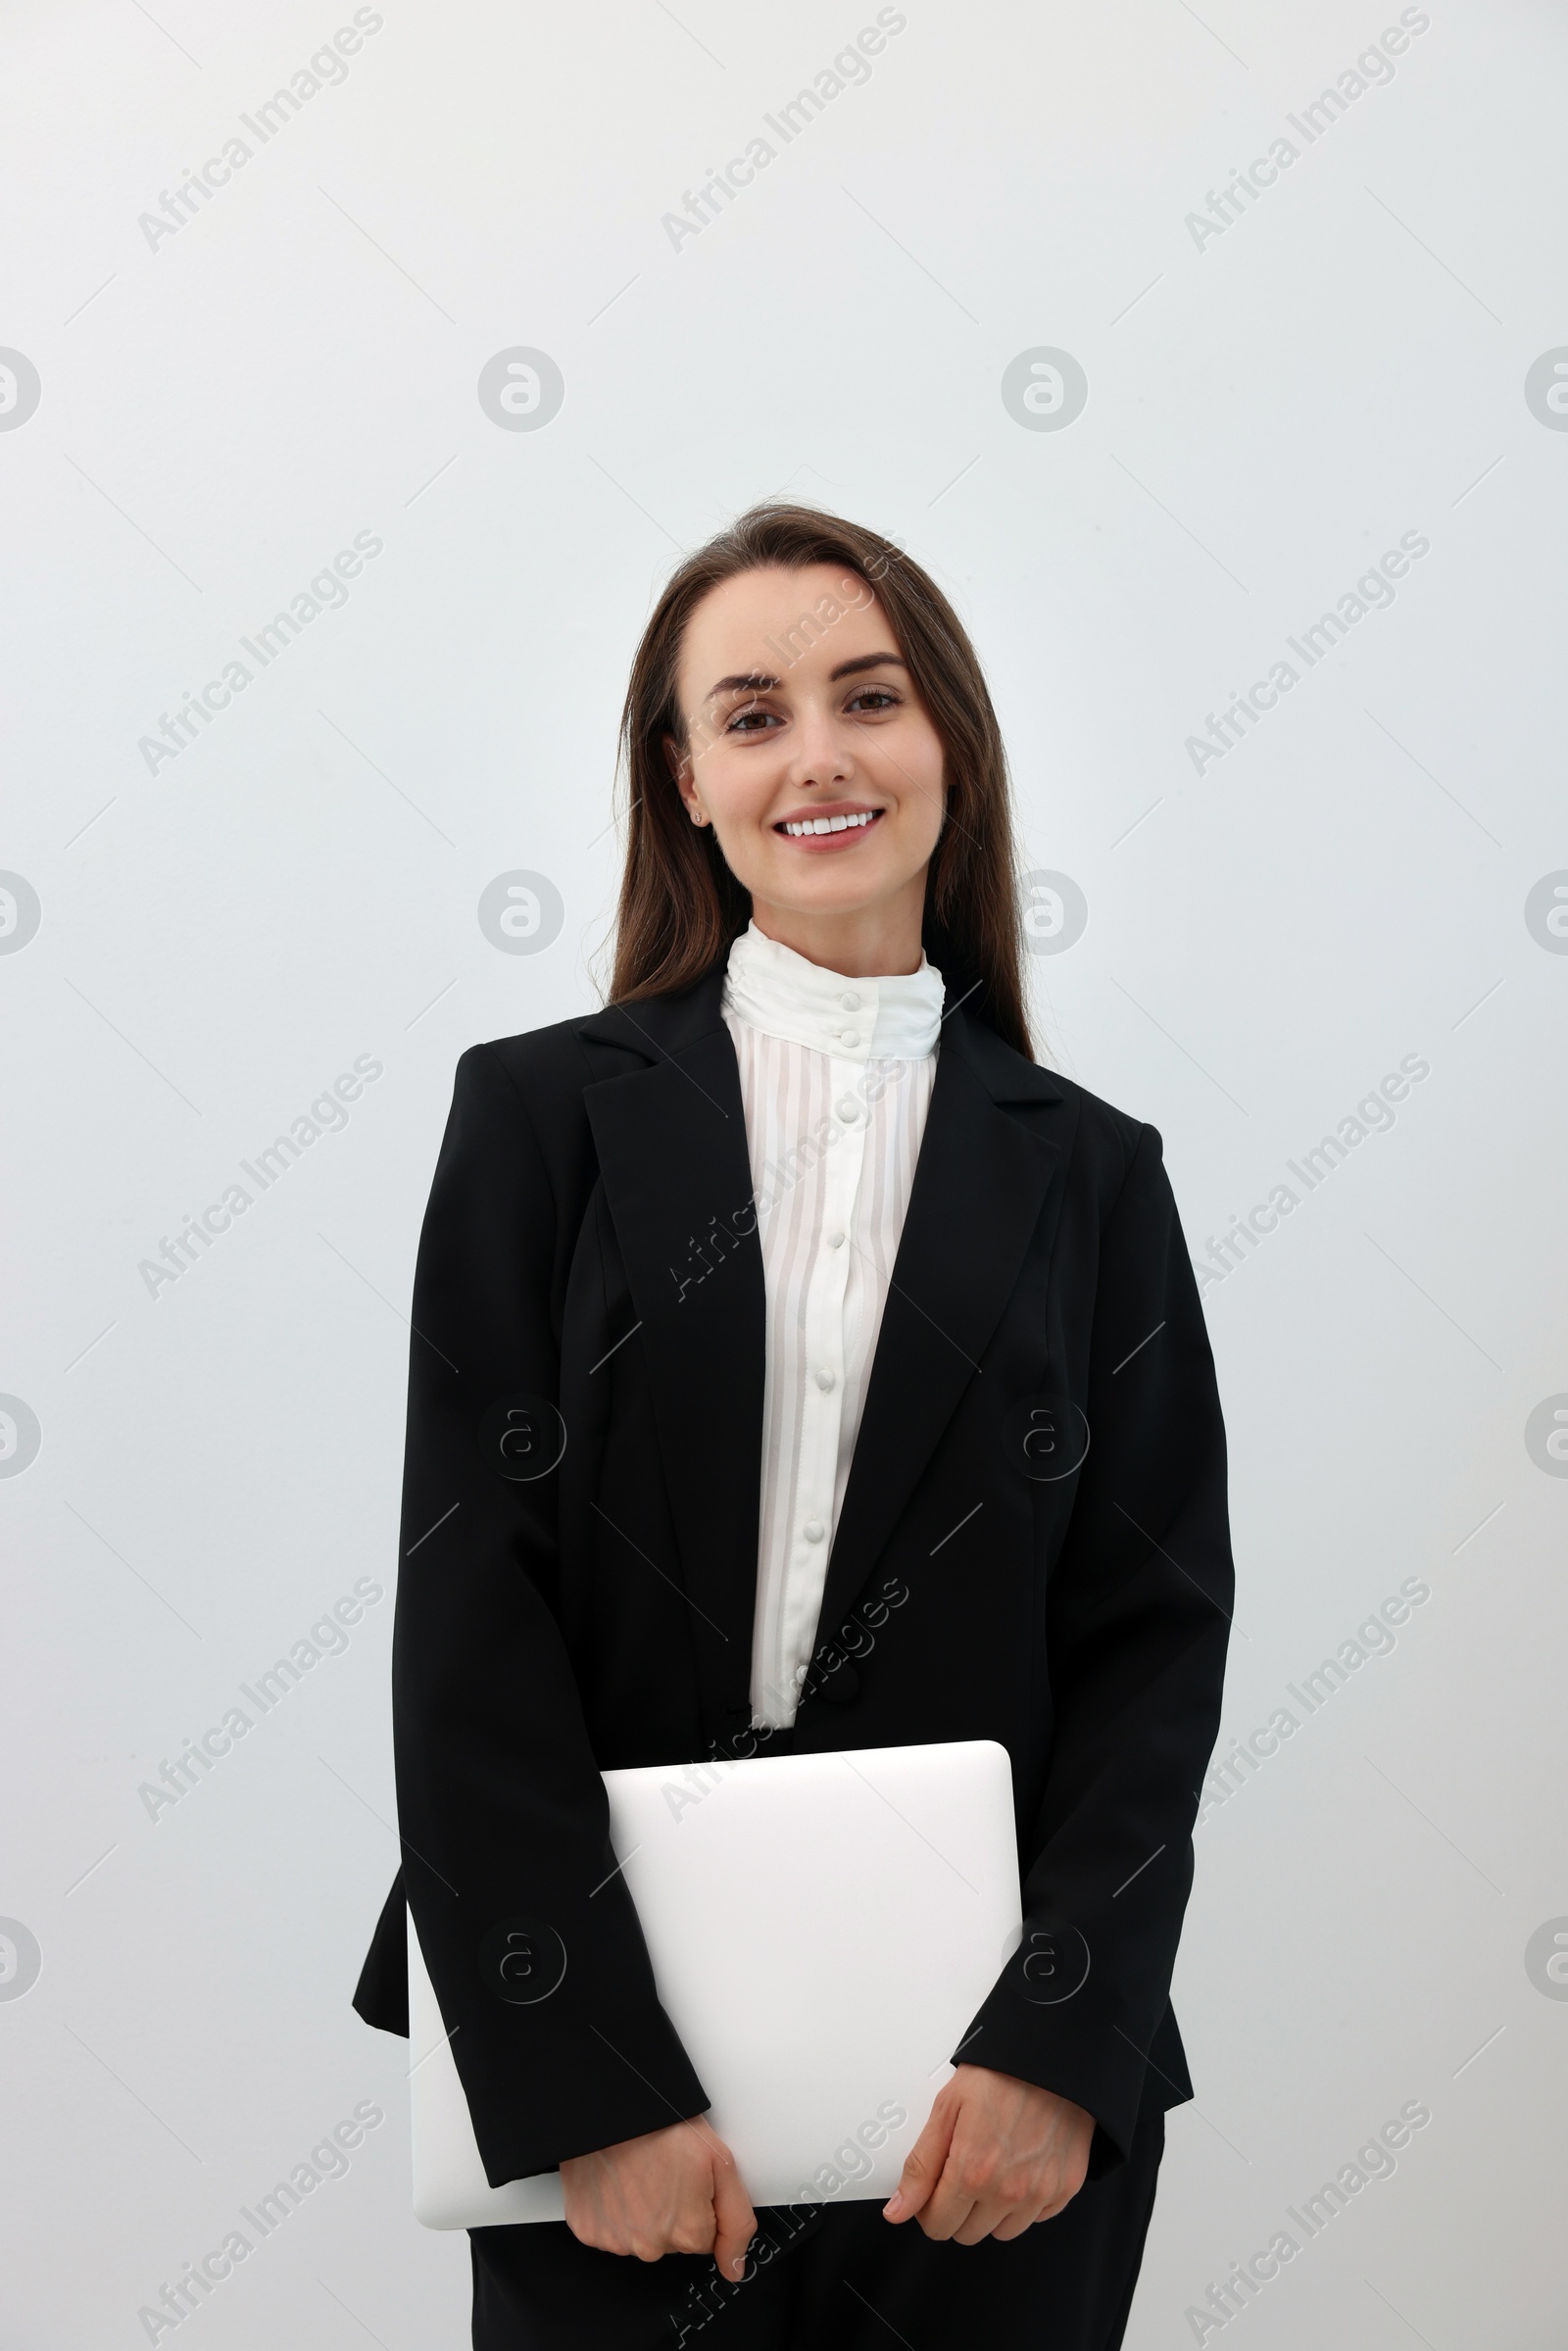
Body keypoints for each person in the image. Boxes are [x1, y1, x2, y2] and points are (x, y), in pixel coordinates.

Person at [353, 503, 1234, 2348]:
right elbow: (471, 1623)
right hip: (608, 2074)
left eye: (869, 698)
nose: (816, 755)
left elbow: (1153, 1647)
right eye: (751, 715)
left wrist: (1058, 2049)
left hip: (984, 2114)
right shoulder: (536, 1126)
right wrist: (590, 2080)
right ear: (684, 779)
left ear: (948, 751)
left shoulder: (1094, 1177)